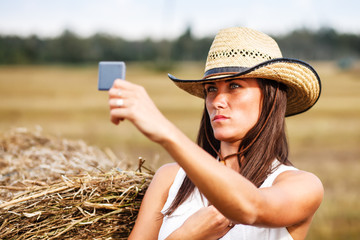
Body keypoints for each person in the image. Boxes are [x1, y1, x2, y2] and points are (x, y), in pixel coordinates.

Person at [108, 27, 324, 240]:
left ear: (270, 97)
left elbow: (251, 207)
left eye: (235, 86)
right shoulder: (170, 179)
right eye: (211, 89)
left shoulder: (302, 186)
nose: (217, 101)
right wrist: (186, 236)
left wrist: (166, 131)